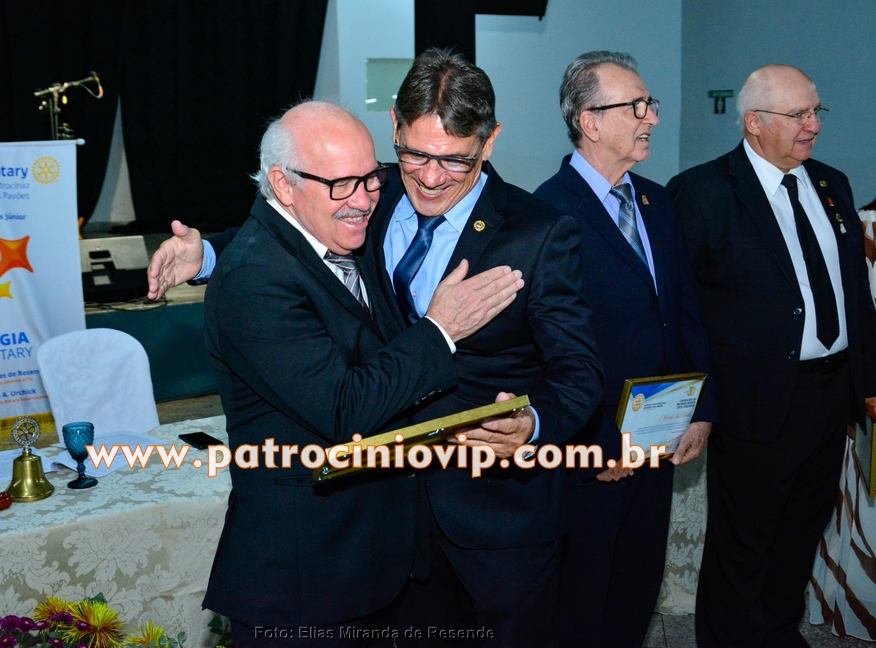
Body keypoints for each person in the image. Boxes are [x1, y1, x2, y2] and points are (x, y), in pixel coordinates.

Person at [198, 100, 524, 646]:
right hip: (305, 580)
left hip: (374, 563)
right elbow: (345, 409)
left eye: (372, 178)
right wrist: (441, 329)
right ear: (282, 185)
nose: (364, 200)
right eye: (342, 185)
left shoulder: (329, 232)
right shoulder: (253, 280)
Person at [354, 47, 602, 647]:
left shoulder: (538, 232)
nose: (430, 177)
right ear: (393, 126)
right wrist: (203, 254)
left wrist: (533, 423)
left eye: (454, 160)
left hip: (499, 521)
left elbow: (580, 371)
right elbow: (297, 235)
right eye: (414, 154)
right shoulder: (369, 196)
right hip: (387, 510)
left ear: (489, 142)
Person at [666, 64, 876, 648]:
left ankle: (780, 634)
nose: (813, 125)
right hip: (753, 401)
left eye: (816, 111)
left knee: (800, 533)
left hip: (830, 395)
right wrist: (697, 402)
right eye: (798, 114)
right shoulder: (702, 192)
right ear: (754, 123)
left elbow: (855, 295)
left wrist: (868, 382)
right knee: (743, 543)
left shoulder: (832, 183)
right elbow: (681, 311)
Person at [532, 51, 718, 648]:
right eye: (636, 107)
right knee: (582, 601)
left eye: (650, 104)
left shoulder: (658, 202)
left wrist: (702, 408)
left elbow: (684, 311)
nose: (651, 118)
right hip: (591, 453)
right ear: (589, 121)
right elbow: (546, 351)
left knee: (636, 591)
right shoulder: (546, 212)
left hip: (658, 440)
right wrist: (596, 441)